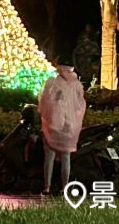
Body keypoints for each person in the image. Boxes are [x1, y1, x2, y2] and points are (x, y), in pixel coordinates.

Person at [38, 60, 86, 195]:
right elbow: (81, 105)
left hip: (53, 125)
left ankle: (47, 187)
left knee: (50, 157)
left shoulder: (52, 82)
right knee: (66, 158)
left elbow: (44, 102)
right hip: (70, 127)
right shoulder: (76, 84)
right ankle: (64, 188)